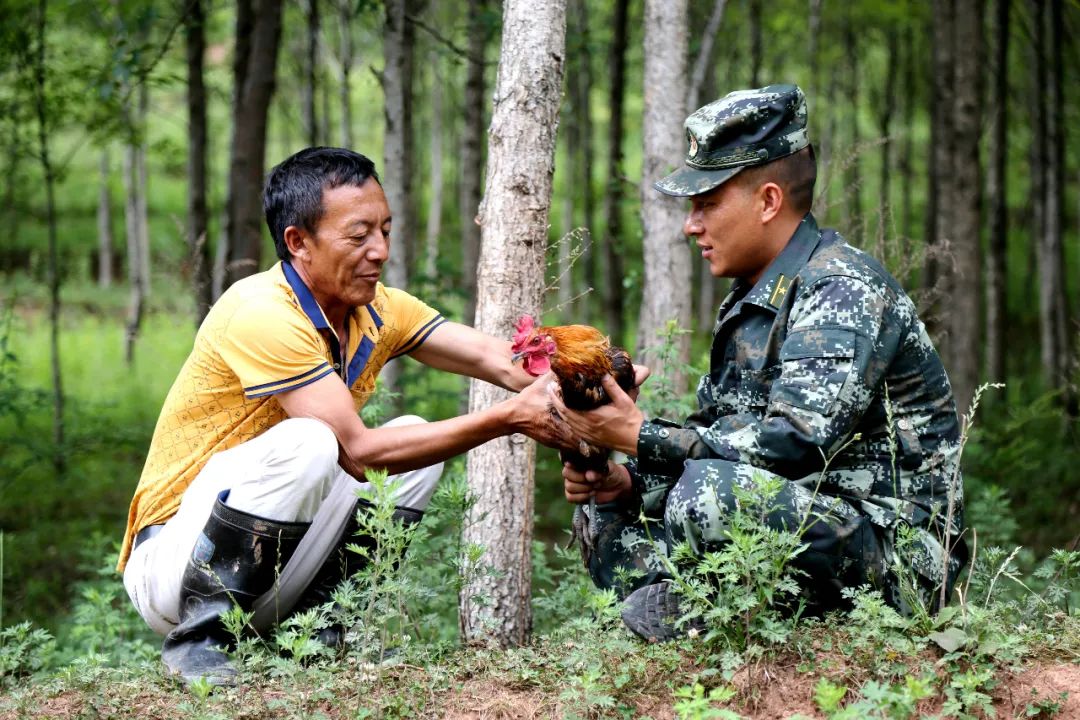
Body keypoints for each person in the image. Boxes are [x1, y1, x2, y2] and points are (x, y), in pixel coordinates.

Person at [119, 147, 568, 684]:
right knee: (313, 440)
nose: (379, 251)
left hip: (270, 571)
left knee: (414, 443)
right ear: (298, 242)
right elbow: (355, 450)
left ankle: (318, 634)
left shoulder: (379, 309)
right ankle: (201, 645)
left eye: (385, 230)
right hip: (177, 568)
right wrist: (509, 418)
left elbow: (498, 358)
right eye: (358, 236)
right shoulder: (261, 309)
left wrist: (591, 377)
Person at [552, 84, 968, 642]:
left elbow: (794, 444)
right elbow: (722, 435)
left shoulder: (839, 287)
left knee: (710, 490)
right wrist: (628, 482)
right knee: (611, 500)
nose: (690, 224)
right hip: (809, 523)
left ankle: (721, 618)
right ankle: (695, 617)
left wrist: (640, 434)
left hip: (898, 556)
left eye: (707, 204)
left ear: (769, 201)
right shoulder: (756, 297)